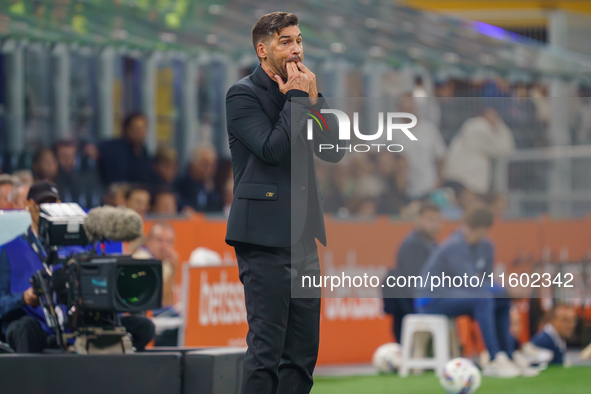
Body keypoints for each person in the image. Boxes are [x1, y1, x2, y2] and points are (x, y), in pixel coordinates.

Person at [225, 12, 344, 394]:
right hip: (263, 239)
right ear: (263, 50)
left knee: (303, 353)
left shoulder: (302, 93)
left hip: (303, 238)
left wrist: (315, 100)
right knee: (266, 351)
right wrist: (295, 97)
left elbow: (334, 150)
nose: (296, 50)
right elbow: (271, 150)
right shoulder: (242, 94)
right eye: (285, 42)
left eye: (298, 40)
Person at [0, 181, 155, 352]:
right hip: (39, 326)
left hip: (78, 321)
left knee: (143, 326)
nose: (47, 209)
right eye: (42, 204)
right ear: (28, 205)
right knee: (23, 327)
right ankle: (31, 377)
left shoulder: (79, 246)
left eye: (53, 204)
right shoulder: (9, 250)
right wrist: (23, 297)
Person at [416, 207, 523, 377]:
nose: (470, 233)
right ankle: (494, 359)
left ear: (485, 230)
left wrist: (504, 292)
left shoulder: (487, 246)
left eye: (476, 230)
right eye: (468, 228)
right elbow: (471, 283)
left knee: (501, 300)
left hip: (457, 294)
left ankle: (508, 356)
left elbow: (485, 281)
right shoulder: (454, 245)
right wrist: (508, 290)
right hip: (432, 299)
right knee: (484, 299)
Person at [382, 202, 441, 343]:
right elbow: (415, 282)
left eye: (438, 221)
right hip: (410, 302)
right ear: (418, 220)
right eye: (430, 220)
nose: (435, 225)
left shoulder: (433, 245)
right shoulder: (412, 245)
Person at [444, 108, 515, 195]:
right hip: (466, 179)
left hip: (464, 178)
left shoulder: (473, 126)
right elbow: (504, 149)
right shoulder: (477, 127)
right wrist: (500, 125)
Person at [133, 222, 180, 346]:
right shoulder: (141, 260)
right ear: (148, 241)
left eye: (169, 242)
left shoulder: (164, 263)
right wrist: (174, 270)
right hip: (143, 322)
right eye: (159, 240)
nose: (164, 246)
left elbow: (169, 301)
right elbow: (158, 301)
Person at [98, 112, 154, 187]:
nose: (141, 131)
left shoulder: (143, 151)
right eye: (137, 128)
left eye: (144, 127)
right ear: (127, 129)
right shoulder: (113, 149)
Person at [175, 146, 223, 213]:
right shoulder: (179, 185)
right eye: (204, 163)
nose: (208, 169)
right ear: (193, 163)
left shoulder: (215, 189)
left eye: (212, 165)